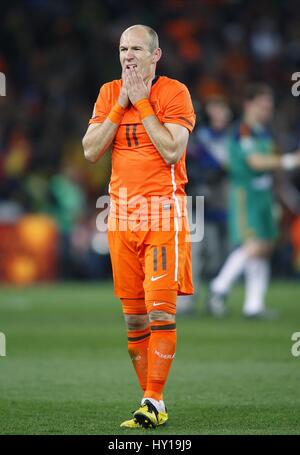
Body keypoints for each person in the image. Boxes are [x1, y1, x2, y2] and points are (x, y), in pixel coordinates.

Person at [82, 25, 196, 428]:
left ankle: (153, 399)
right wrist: (121, 106)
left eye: (136, 49)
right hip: (121, 218)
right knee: (134, 320)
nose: (128, 55)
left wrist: (143, 104)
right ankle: (153, 403)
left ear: (156, 55)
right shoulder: (108, 92)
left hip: (162, 216)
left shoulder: (174, 93)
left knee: (161, 314)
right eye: (122, 48)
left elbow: (171, 150)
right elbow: (92, 150)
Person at [206, 83, 300, 318]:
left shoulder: (263, 132)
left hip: (264, 194)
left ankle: (254, 304)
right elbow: (255, 162)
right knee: (253, 245)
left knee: (265, 246)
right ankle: (219, 287)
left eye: (269, 105)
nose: (267, 109)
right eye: (262, 104)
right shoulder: (243, 131)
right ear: (249, 104)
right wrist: (289, 161)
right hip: (245, 193)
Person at [178, 96, 231, 314]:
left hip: (220, 205)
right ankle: (187, 300)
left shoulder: (203, 141)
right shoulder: (193, 141)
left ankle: (214, 299)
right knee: (195, 253)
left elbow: (216, 166)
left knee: (219, 256)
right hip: (196, 206)